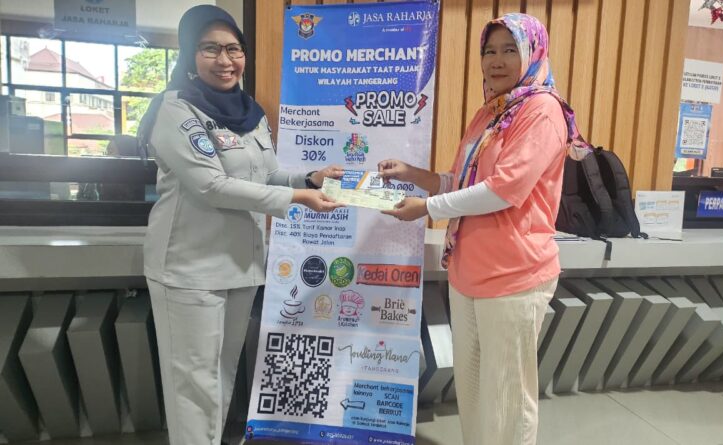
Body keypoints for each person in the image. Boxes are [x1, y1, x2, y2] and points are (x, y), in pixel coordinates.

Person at [379, 13, 592, 445]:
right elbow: (465, 183)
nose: (497, 61)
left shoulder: (542, 110)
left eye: (510, 50)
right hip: (468, 272)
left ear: (532, 53)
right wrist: (414, 174)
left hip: (514, 275)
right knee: (475, 392)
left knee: (508, 398)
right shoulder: (491, 113)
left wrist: (427, 208)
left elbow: (505, 189)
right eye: (489, 51)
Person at [138, 5, 342, 444]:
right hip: (189, 269)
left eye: (233, 49)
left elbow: (267, 175)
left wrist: (309, 179)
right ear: (189, 53)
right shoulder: (175, 110)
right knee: (193, 383)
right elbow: (211, 185)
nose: (225, 60)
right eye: (210, 48)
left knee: (221, 374)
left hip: (240, 265)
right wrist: (297, 198)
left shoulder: (251, 113)